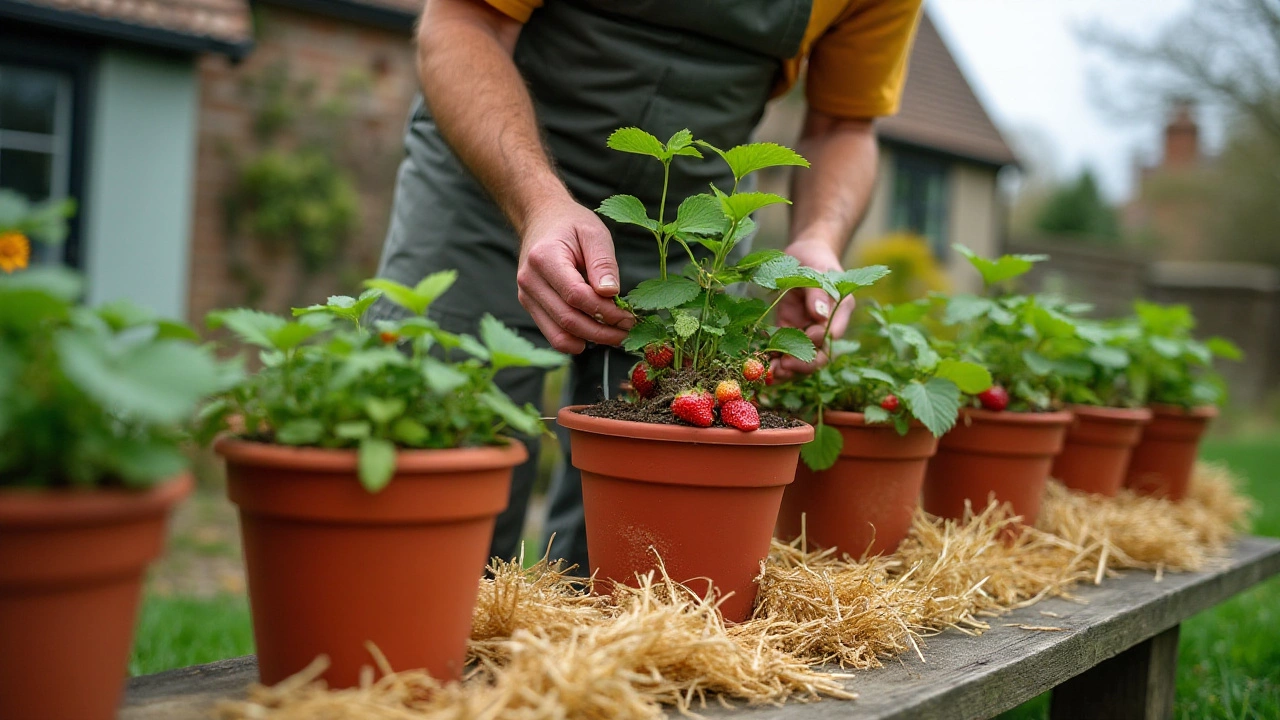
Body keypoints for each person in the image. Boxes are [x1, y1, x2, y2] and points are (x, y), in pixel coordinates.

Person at [368, 0, 924, 571]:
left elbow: (844, 123)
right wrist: (538, 200)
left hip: (691, 227)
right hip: (491, 179)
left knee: (646, 522)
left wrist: (819, 237)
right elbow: (464, 20)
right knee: (445, 444)